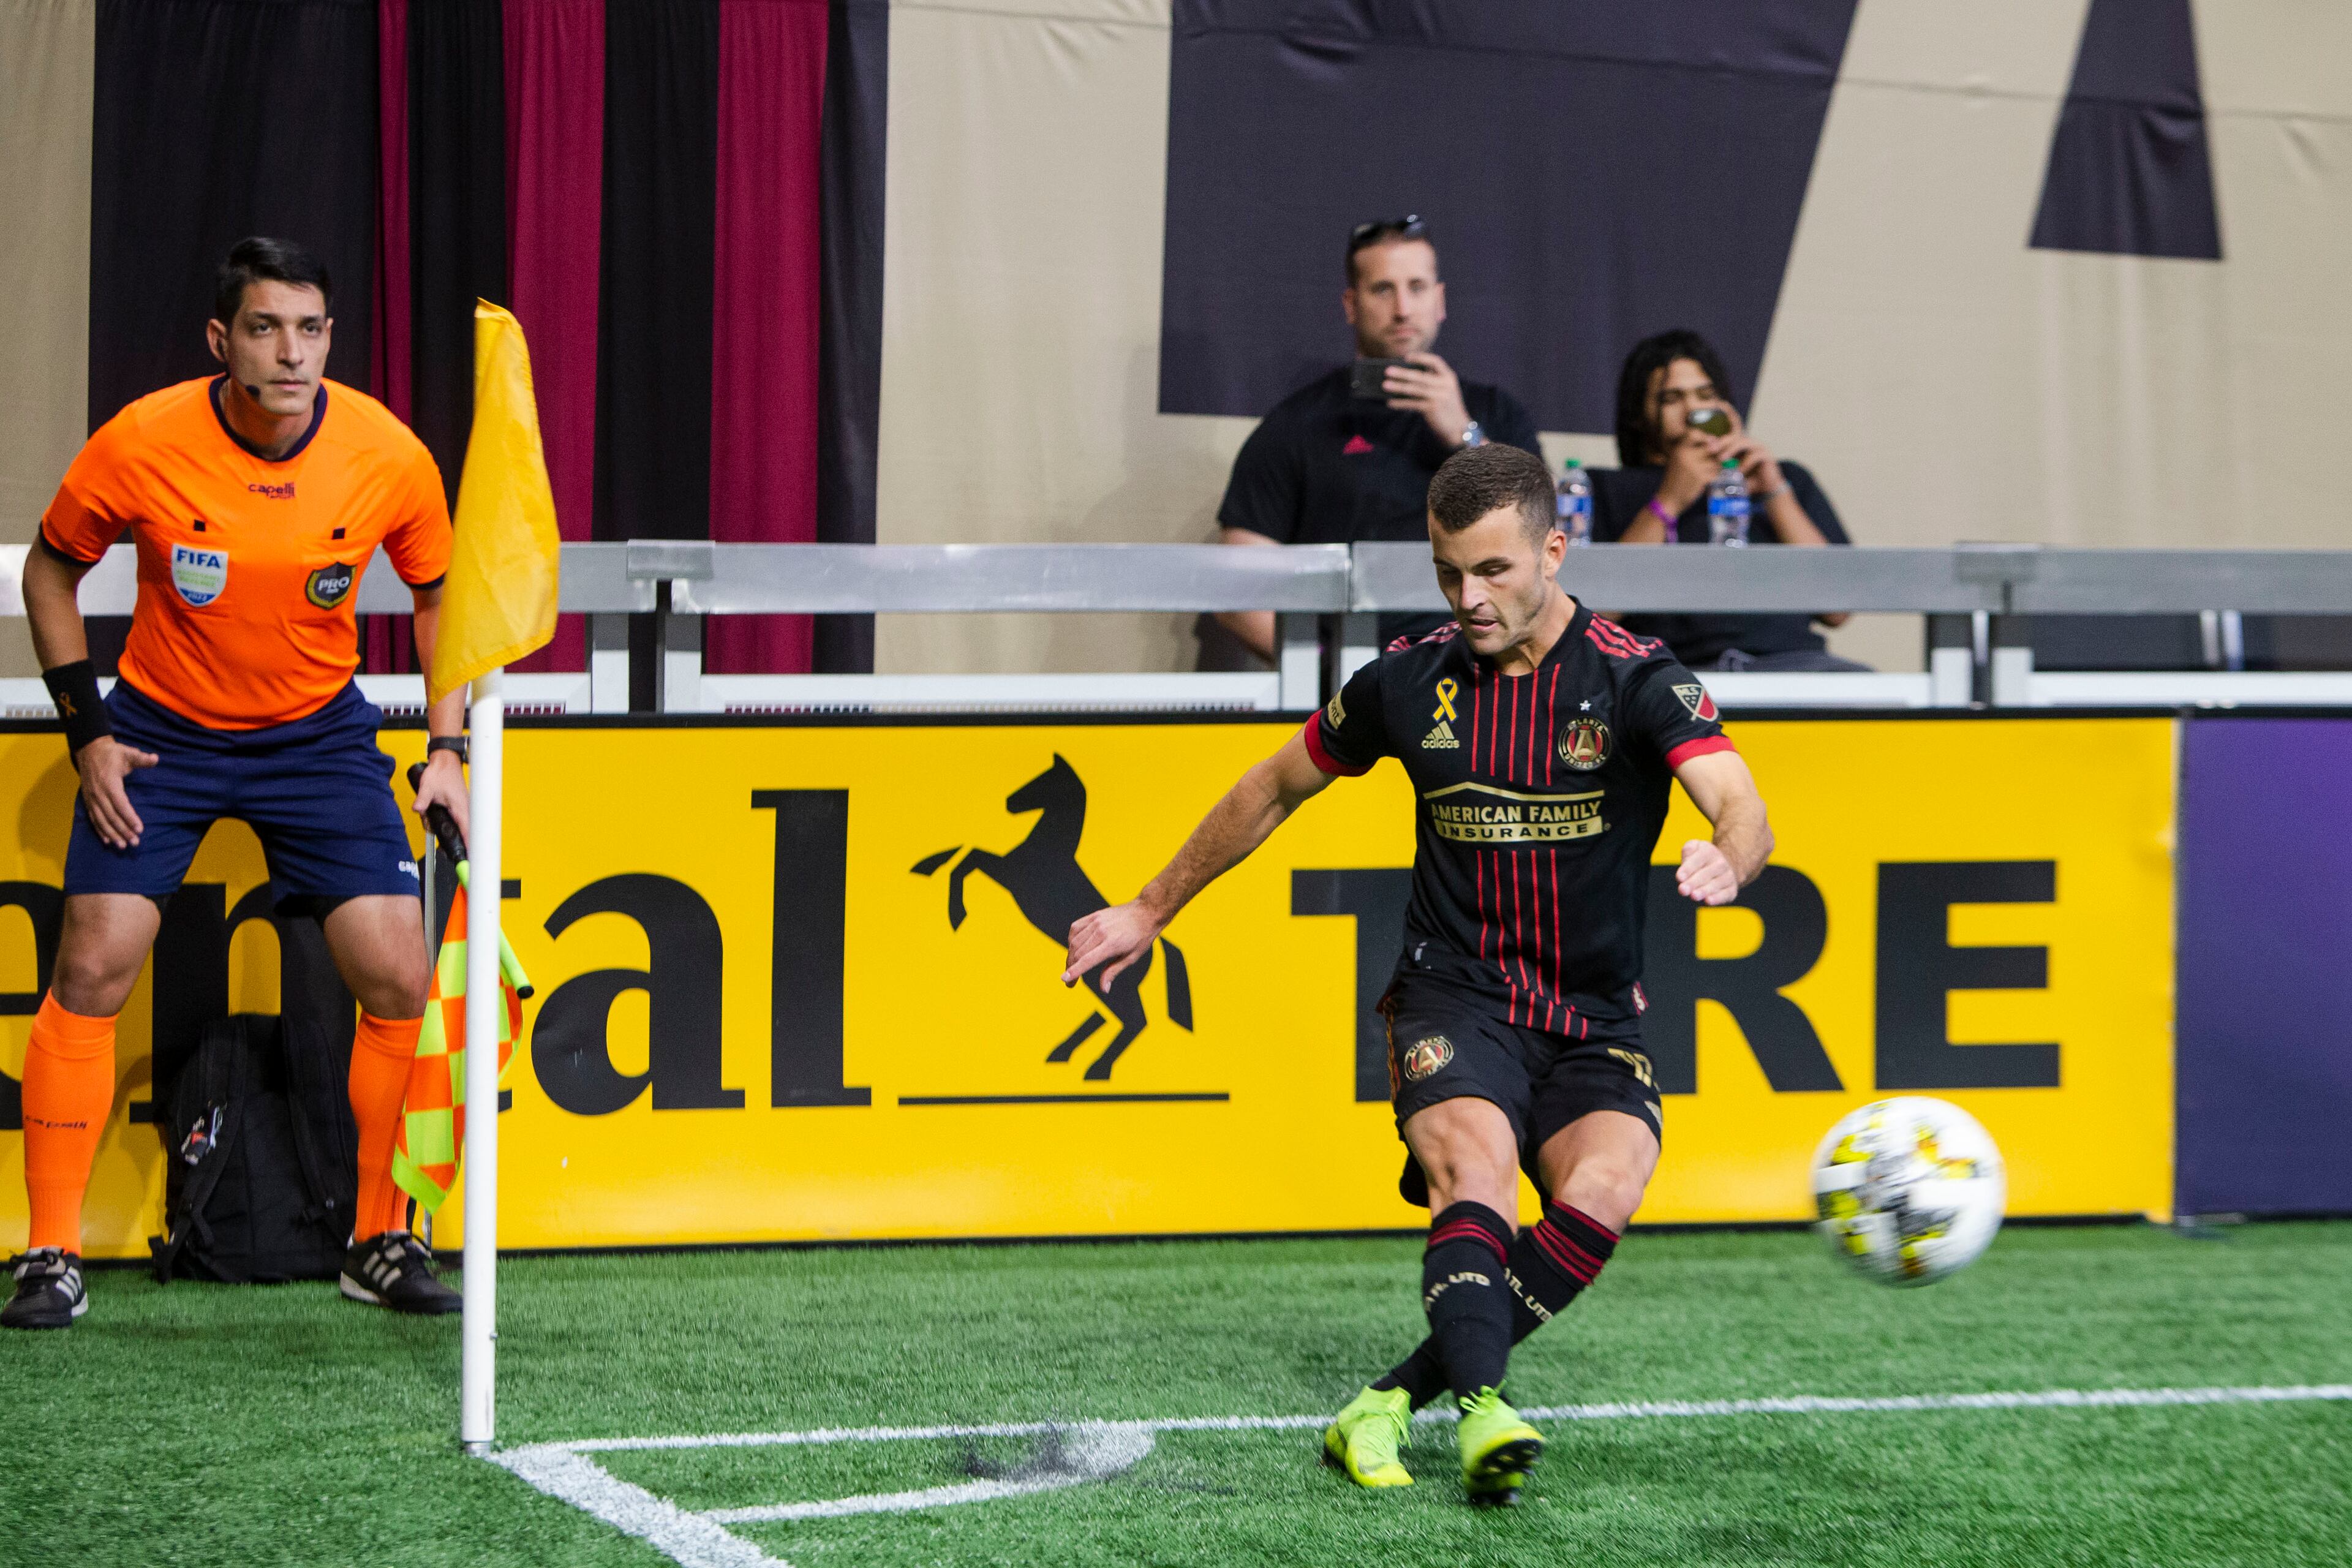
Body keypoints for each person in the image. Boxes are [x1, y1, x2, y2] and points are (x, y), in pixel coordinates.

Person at [1068, 443, 1773, 1503]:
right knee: (1475, 1174)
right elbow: (1272, 785)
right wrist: (1148, 907)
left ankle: (1387, 1403)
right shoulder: (1408, 680)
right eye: (1449, 571)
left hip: (1592, 1017)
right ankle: (1486, 1412)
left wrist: (1731, 851)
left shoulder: (1637, 679)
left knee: (1605, 1192)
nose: (1469, 596)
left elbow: (1742, 799)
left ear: (1554, 548)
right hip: (1455, 993)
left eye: (1493, 570)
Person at [4, 238, 469, 1329]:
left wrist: (447, 751)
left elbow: (445, 597)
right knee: (94, 957)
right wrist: (90, 735)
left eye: (310, 330)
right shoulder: (146, 440)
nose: (291, 353)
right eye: (265, 329)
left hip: (318, 741)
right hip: (164, 735)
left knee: (400, 976)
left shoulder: (386, 455)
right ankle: (50, 1254)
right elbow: (50, 569)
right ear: (223, 341)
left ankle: (378, 1238)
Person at [1203, 216, 1541, 666]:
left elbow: (1549, 543)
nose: (1403, 308)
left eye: (1417, 287)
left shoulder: (1497, 415)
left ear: (1440, 300)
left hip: (1490, 680)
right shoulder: (1298, 425)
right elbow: (1238, 592)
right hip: (1356, 683)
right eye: (1383, 289)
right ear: (1351, 304)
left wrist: (1464, 434)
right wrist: (1334, 678)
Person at [1591, 328, 1870, 672]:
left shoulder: (1788, 478)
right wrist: (1669, 501)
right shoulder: (1603, 488)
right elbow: (1593, 616)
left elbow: (1838, 610)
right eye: (1671, 399)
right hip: (1673, 673)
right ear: (1638, 414)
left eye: (1705, 394)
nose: (1694, 409)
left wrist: (1774, 491)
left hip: (1792, 664)